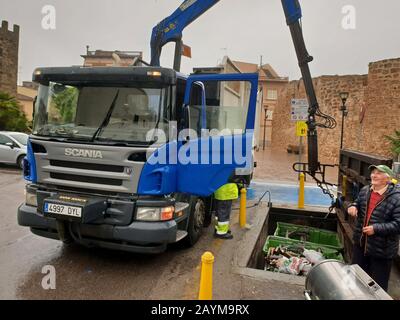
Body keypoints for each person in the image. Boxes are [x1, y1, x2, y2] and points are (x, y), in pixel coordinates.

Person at [347, 165, 400, 291]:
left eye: (379, 173)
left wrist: (376, 229)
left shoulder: (397, 198)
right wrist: (353, 206)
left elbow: (398, 224)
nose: (373, 175)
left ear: (388, 179)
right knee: (355, 280)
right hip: (361, 245)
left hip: (381, 250)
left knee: (377, 288)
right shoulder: (365, 190)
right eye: (373, 172)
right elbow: (357, 202)